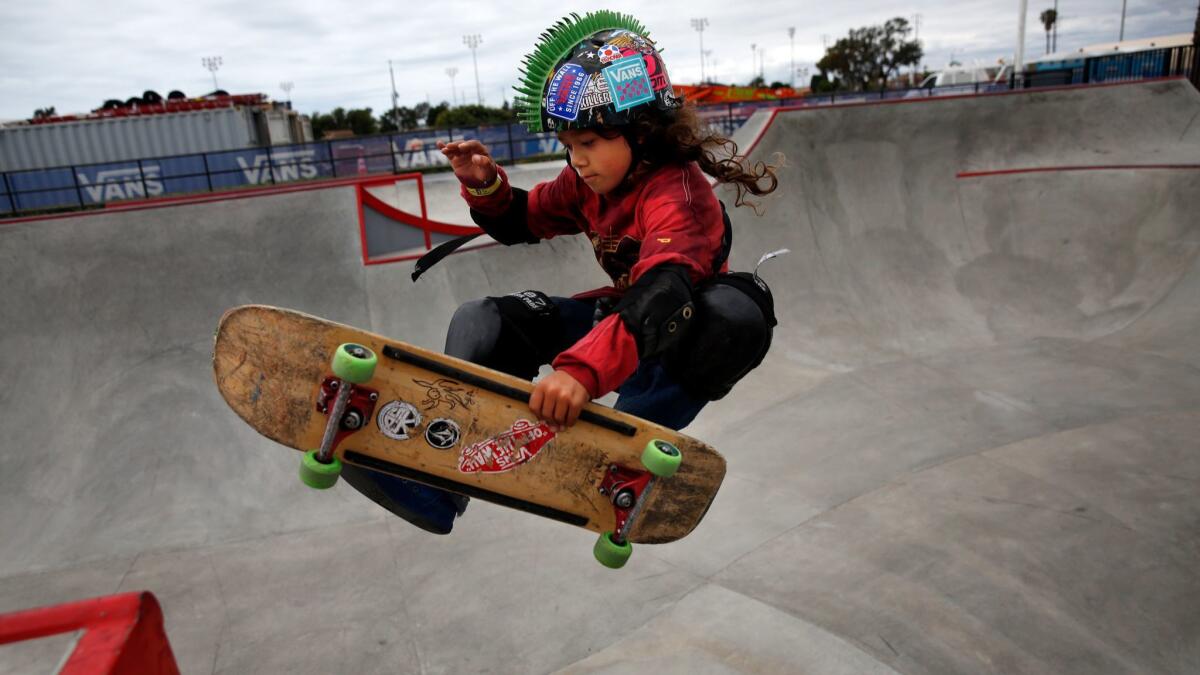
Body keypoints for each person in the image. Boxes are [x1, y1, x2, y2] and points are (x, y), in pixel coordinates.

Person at [343, 10, 780, 534]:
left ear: (641, 132)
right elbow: (525, 219)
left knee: (737, 313)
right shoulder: (585, 183)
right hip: (620, 323)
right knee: (485, 320)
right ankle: (439, 480)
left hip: (676, 340)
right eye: (569, 148)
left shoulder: (677, 196)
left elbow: (662, 292)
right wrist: (486, 186)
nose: (578, 162)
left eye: (589, 144)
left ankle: (630, 452)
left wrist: (580, 372)